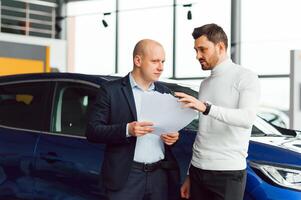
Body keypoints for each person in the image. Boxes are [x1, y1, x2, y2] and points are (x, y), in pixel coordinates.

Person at [86, 39, 180, 200]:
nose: (161, 67)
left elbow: (170, 128)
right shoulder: (111, 90)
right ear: (138, 60)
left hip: (159, 176)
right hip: (126, 176)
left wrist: (173, 137)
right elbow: (93, 131)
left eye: (163, 61)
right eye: (155, 61)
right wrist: (127, 130)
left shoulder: (165, 92)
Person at [177, 23, 261, 200]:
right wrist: (189, 174)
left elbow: (247, 118)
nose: (198, 56)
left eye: (202, 49)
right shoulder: (205, 84)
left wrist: (207, 108)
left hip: (228, 174)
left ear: (220, 47)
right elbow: (204, 132)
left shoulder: (246, 77)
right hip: (198, 171)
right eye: (195, 50)